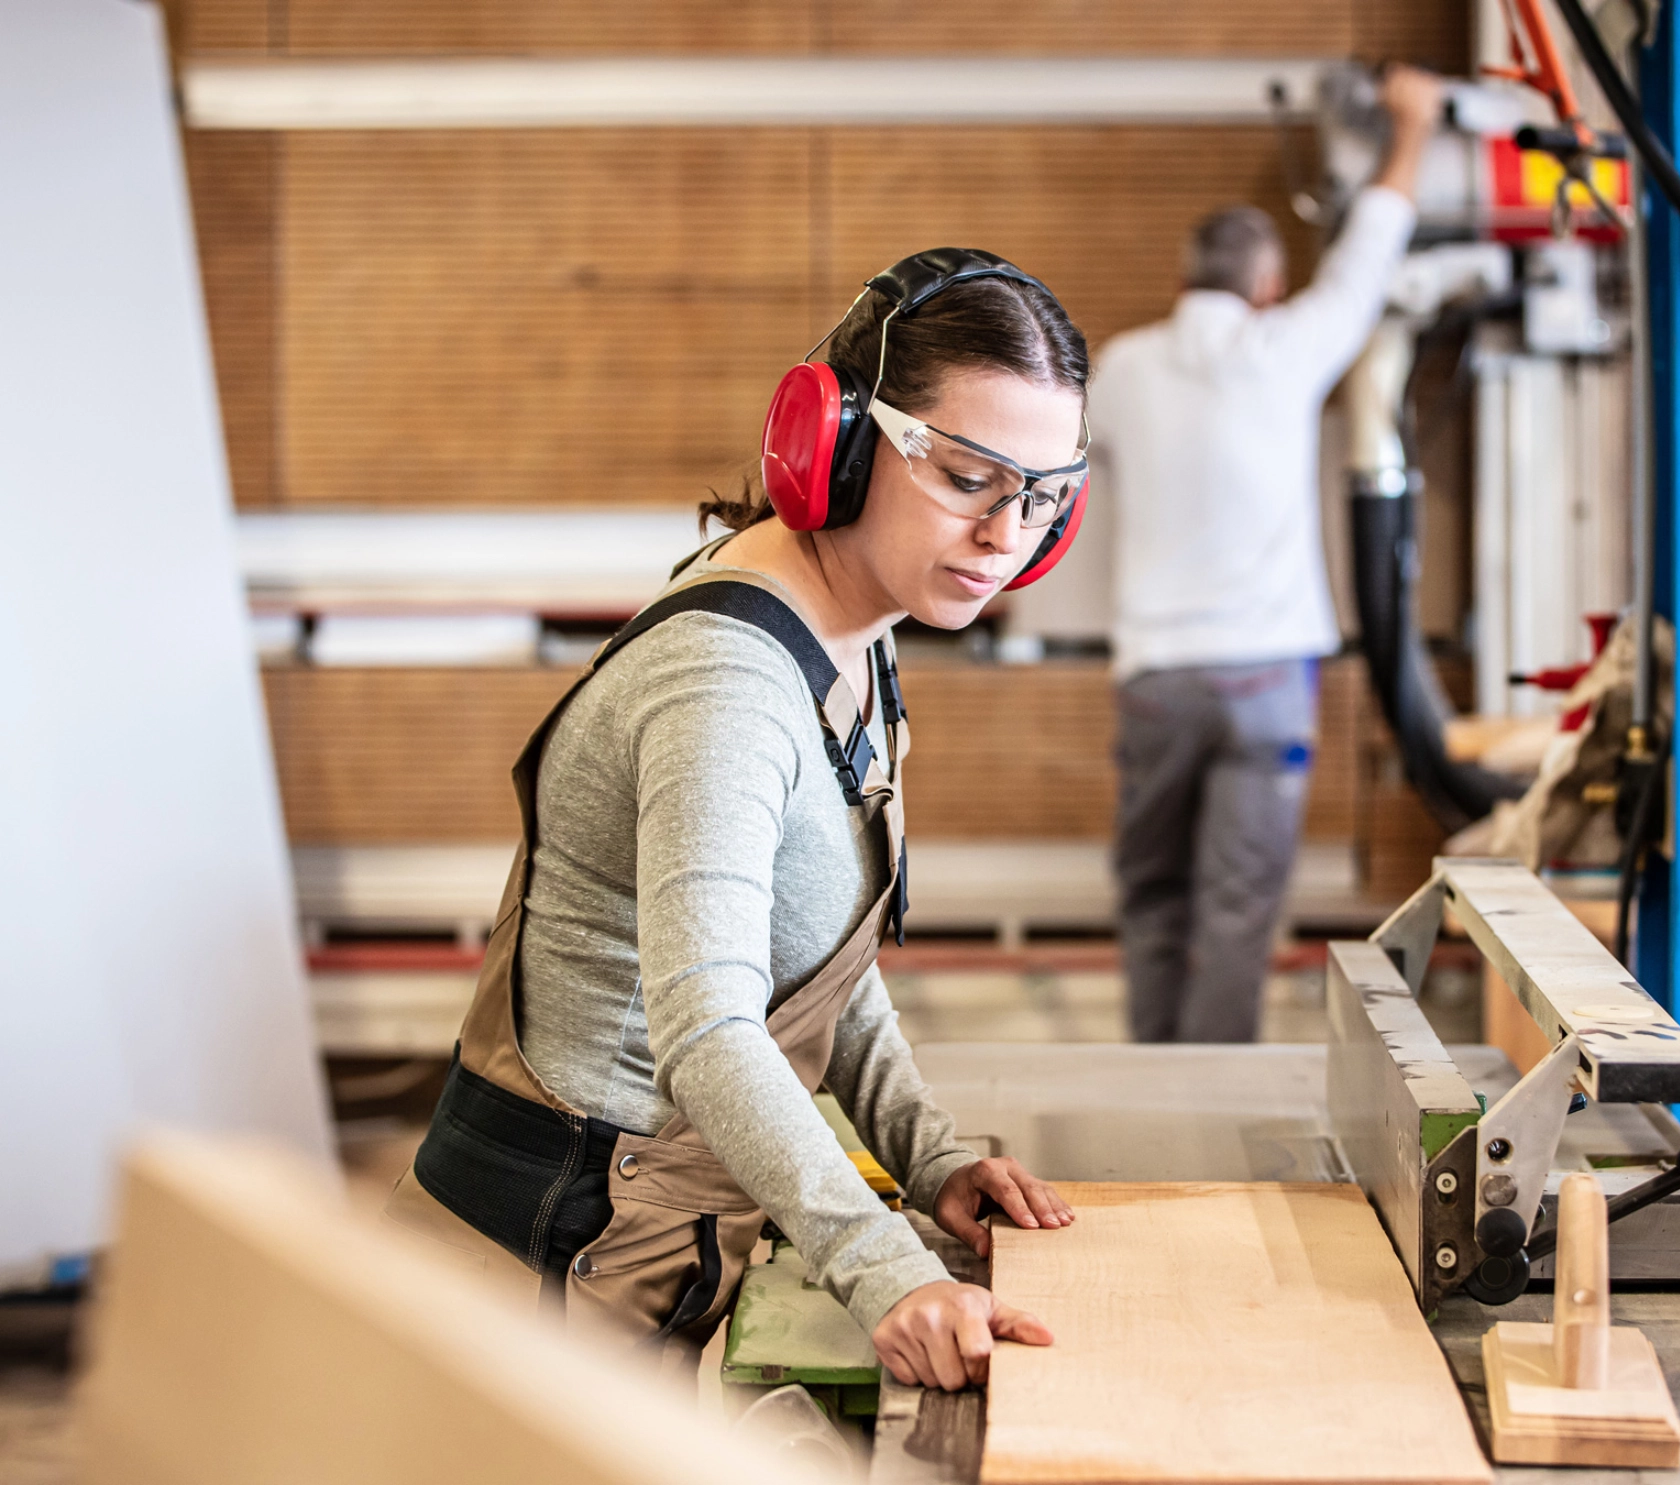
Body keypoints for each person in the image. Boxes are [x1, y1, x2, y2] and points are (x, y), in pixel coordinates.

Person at [384, 249, 1090, 1393]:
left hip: (627, 1237)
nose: (1007, 536)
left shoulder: (858, 627)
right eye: (967, 477)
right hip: (537, 1266)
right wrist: (886, 1267)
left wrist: (929, 1156)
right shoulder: (728, 686)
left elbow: (807, 953)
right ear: (843, 446)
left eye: (1044, 495)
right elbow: (709, 1028)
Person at [1089, 66, 1446, 1044]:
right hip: (1266, 681)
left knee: (1153, 893)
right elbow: (1374, 246)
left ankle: (1151, 1090)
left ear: (1182, 281)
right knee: (1239, 911)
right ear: (1268, 284)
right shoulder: (1289, 345)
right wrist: (1411, 124)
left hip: (1156, 677)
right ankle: (1210, 1107)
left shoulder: (1119, 368)